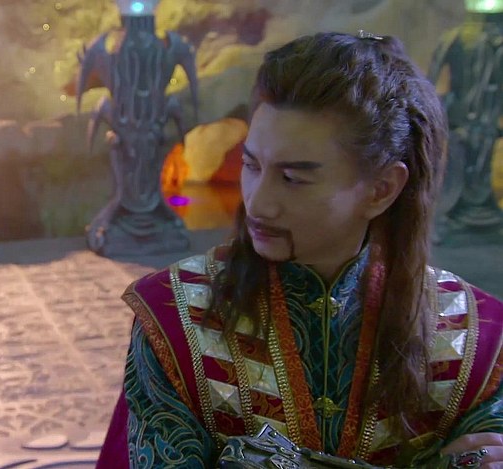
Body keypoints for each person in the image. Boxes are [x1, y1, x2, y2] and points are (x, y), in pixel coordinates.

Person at [96, 31, 503, 468]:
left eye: (293, 178)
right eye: (251, 165)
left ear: (382, 189)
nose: (258, 203)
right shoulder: (174, 318)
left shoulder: (474, 341)